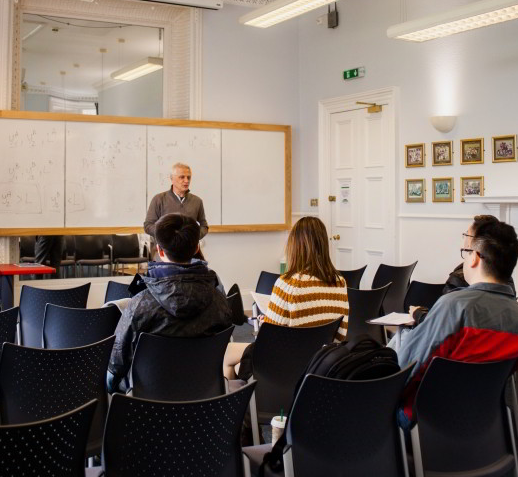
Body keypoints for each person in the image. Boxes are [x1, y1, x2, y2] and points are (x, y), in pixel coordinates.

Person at [392, 215, 518, 423]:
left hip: (427, 415)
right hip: (484, 419)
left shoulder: (453, 306)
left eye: (465, 252)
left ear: (475, 258)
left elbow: (404, 370)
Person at [107, 213, 232, 394]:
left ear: (160, 250)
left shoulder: (140, 304)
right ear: (197, 247)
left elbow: (116, 365)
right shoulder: (219, 302)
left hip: (147, 401)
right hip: (203, 399)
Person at [223, 216, 349, 379]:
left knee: (227, 354)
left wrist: (264, 323)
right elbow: (341, 335)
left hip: (286, 363)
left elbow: (267, 341)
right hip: (323, 363)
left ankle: (238, 401)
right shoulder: (340, 282)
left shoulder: (288, 284)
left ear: (295, 246)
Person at [144, 162, 208, 240]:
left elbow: (204, 226)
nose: (186, 180)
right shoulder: (159, 199)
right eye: (182, 177)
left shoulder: (197, 201)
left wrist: (194, 236)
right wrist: (167, 235)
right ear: (172, 179)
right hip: (165, 249)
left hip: (189, 249)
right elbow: (148, 225)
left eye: (189, 177)